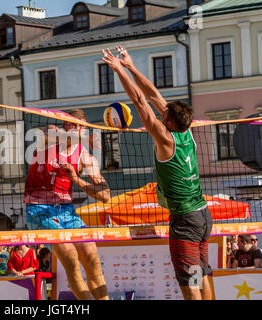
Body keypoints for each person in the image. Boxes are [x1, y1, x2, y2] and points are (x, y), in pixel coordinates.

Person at [102, 45, 213, 300]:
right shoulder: (186, 130)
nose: (161, 112)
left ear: (169, 122)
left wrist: (118, 70)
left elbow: (141, 100)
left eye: (164, 113)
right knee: (199, 273)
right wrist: (131, 66)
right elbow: (152, 95)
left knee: (189, 283)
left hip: (185, 220)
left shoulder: (165, 138)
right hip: (202, 216)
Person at [24, 108, 110, 300]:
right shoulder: (49, 135)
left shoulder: (85, 157)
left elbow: (105, 195)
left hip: (67, 211)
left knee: (91, 256)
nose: (80, 130)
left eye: (82, 127)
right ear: (66, 125)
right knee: (70, 256)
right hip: (39, 209)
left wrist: (76, 179)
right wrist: (87, 134)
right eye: (76, 125)